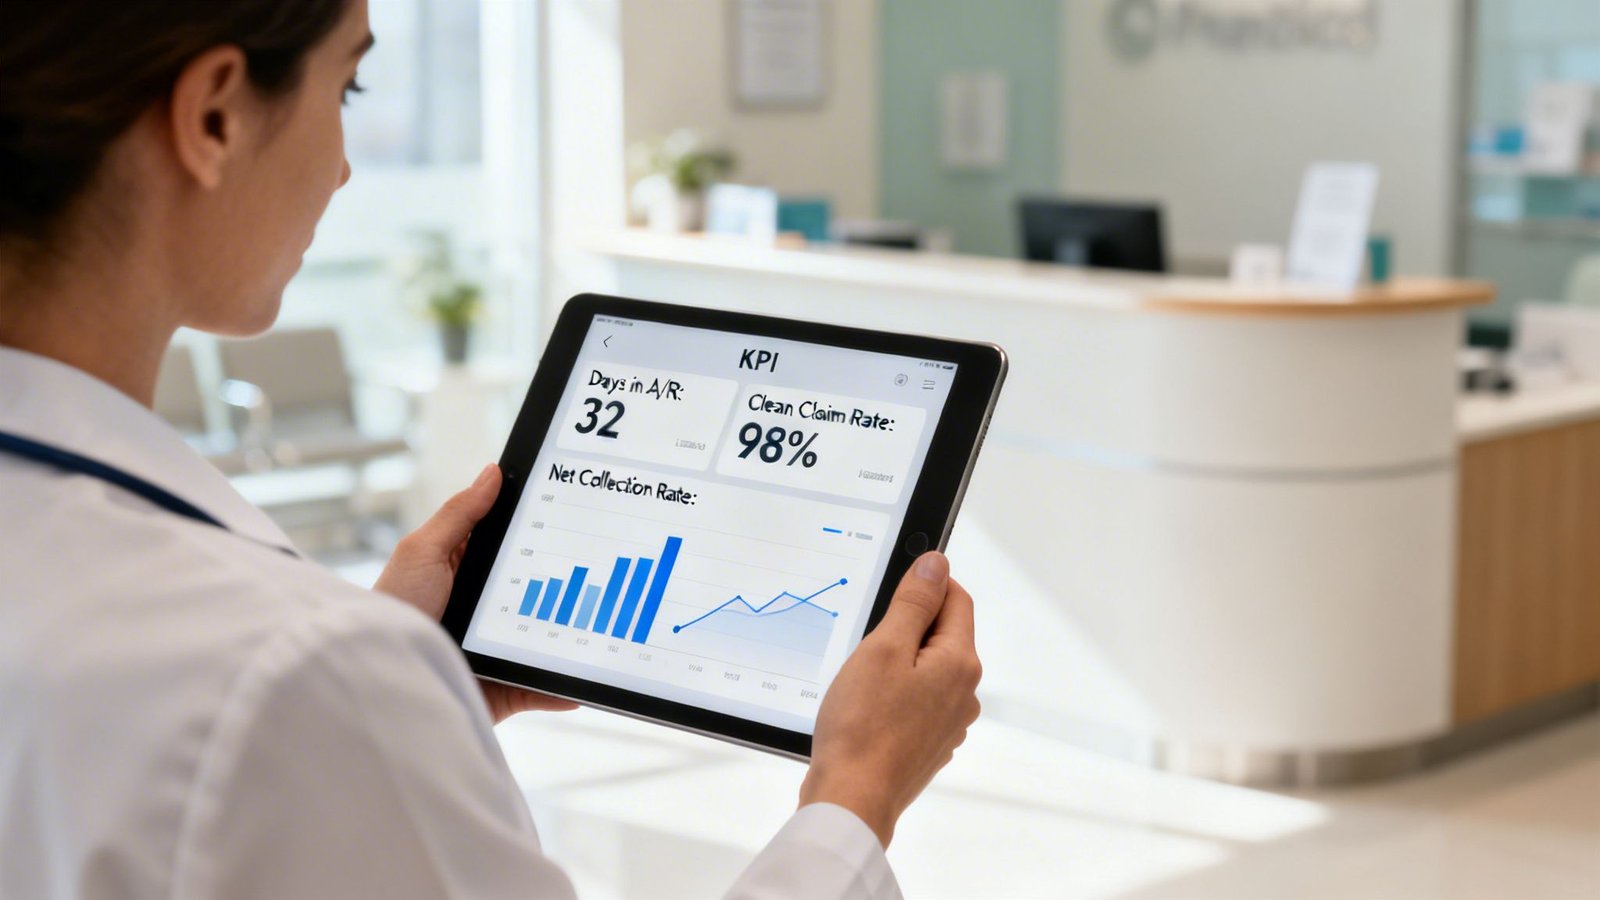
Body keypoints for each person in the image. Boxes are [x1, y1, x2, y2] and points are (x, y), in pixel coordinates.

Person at [0, 1, 983, 897]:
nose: (344, 166)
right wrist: (855, 794)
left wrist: (403, 695)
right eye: (347, 85)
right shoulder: (283, 673)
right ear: (215, 115)